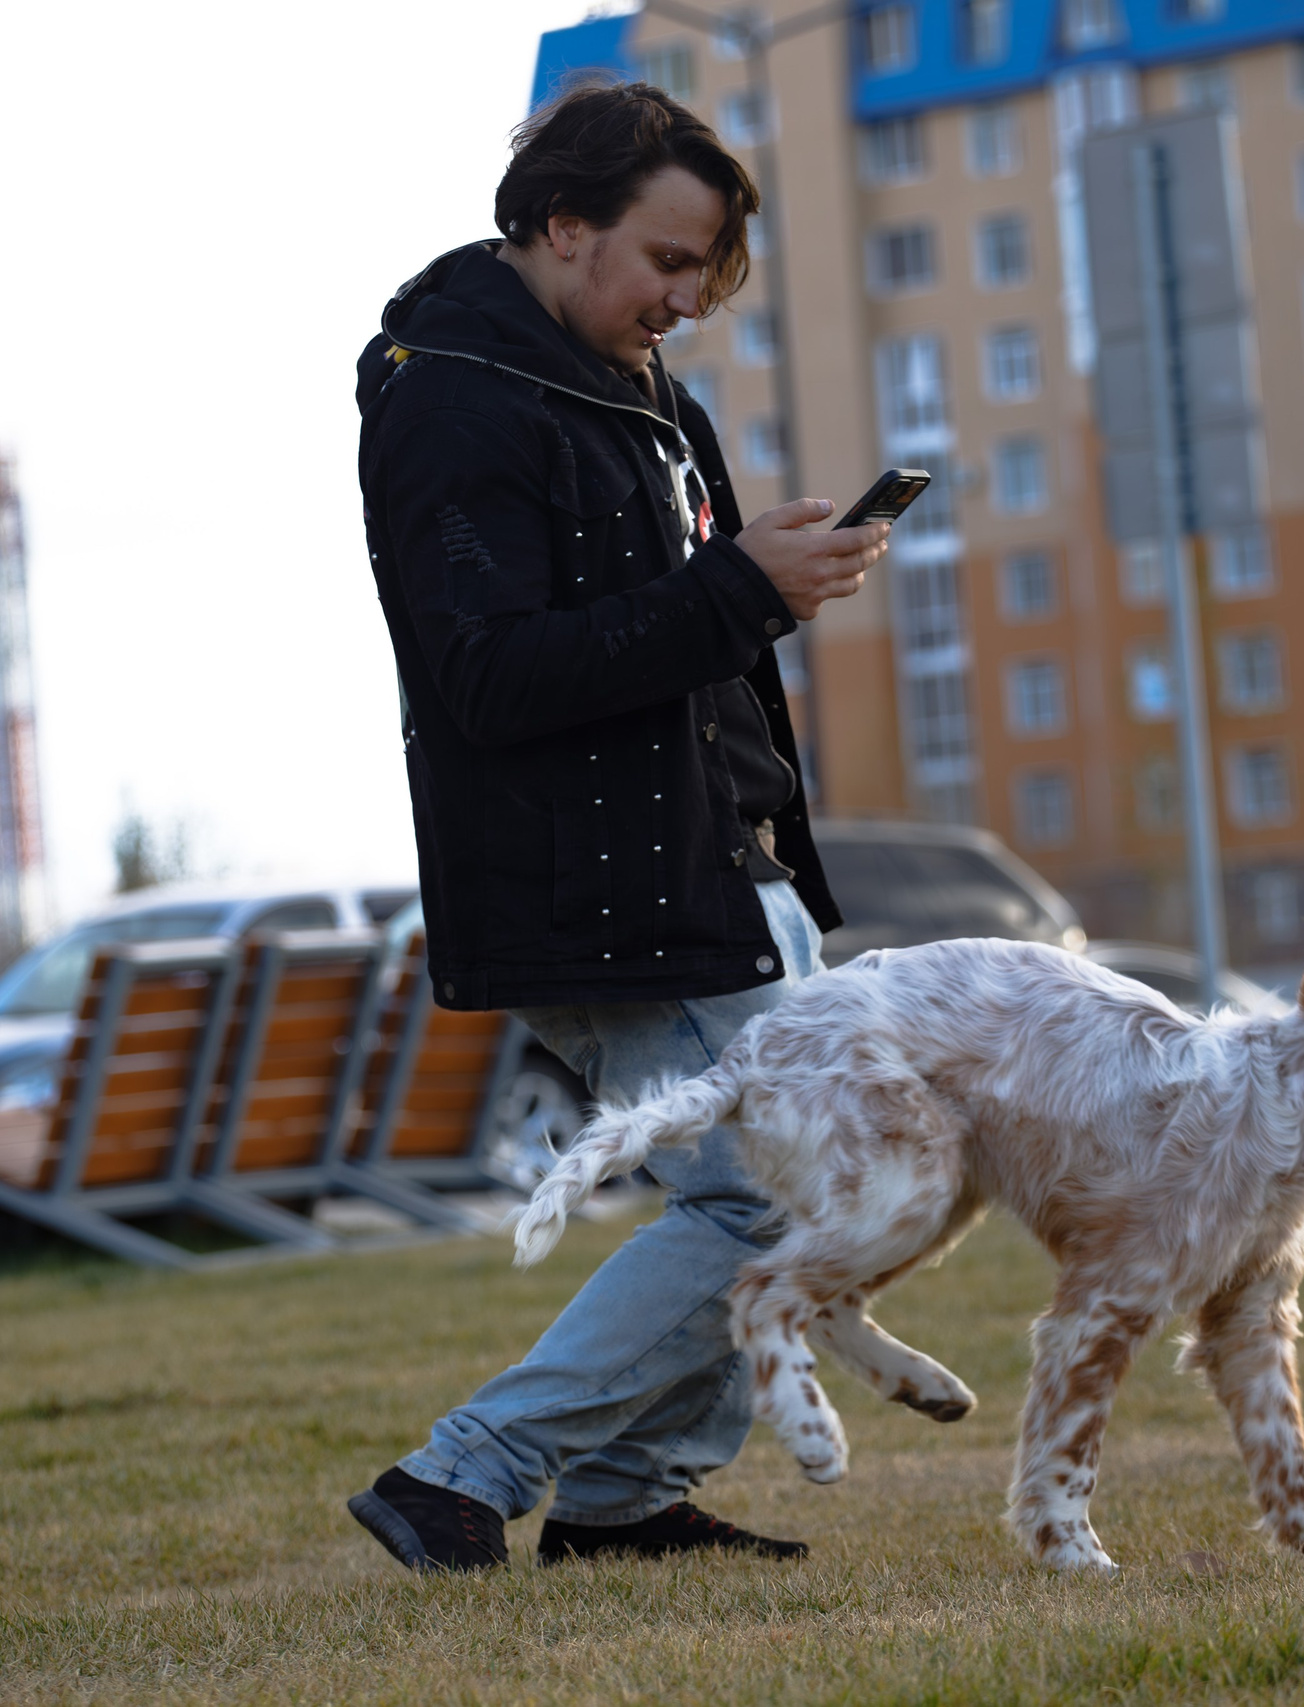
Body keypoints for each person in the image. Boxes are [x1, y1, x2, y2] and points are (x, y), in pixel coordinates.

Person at [345, 80, 889, 1572]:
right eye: (665, 261)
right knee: (782, 1205)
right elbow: (488, 675)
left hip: (721, 869)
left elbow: (675, 642)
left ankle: (625, 1502)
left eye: (706, 271)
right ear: (559, 225)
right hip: (603, 891)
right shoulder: (451, 397)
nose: (687, 299)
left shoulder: (641, 395)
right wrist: (741, 591)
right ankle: (461, 1473)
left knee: (791, 1197)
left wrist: (759, 593)